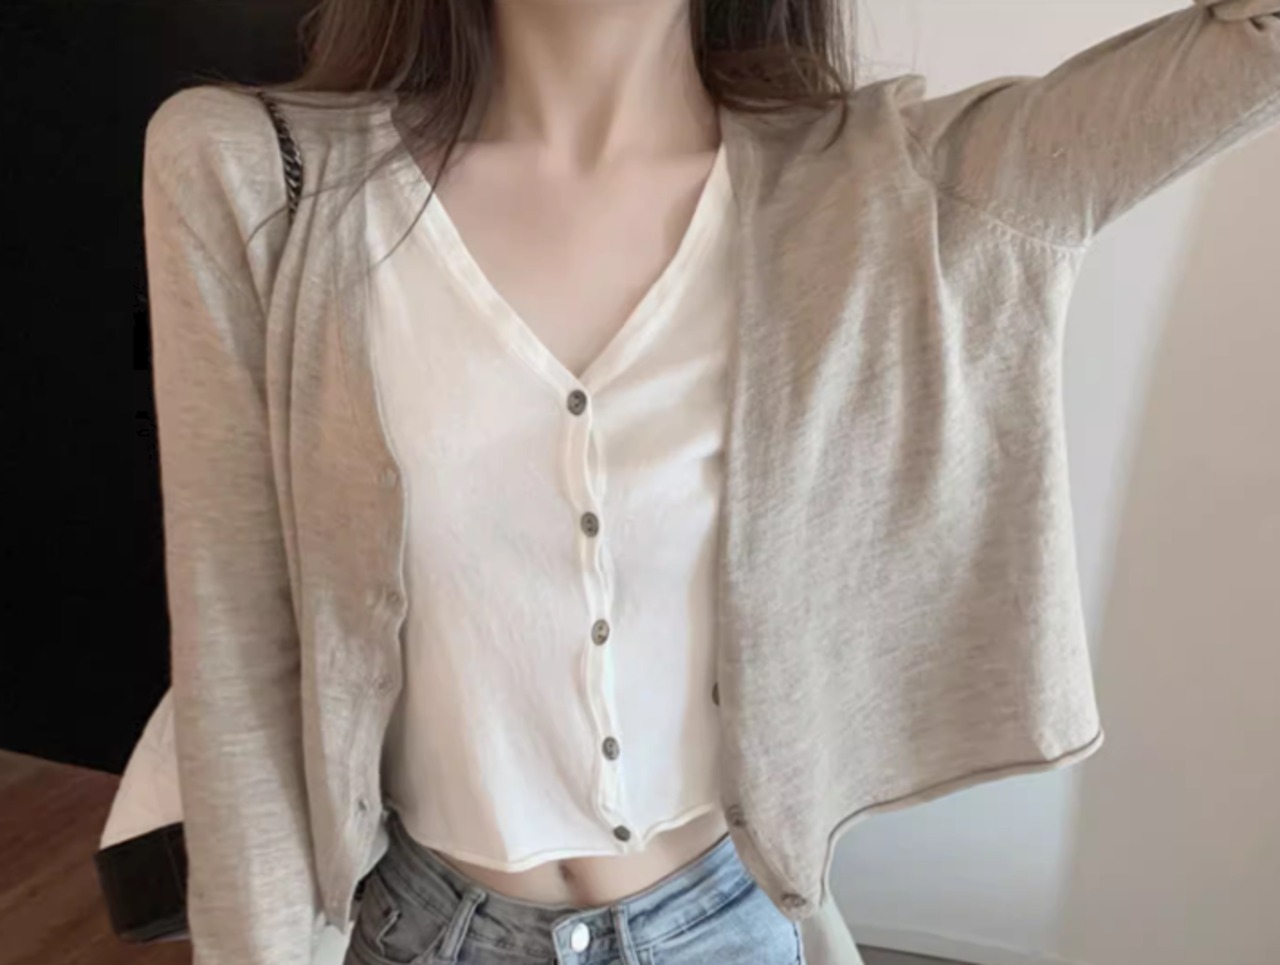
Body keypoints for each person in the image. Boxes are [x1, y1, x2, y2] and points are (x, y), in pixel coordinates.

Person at [140, 1, 1280, 963]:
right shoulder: (258, 177)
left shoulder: (892, 190)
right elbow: (240, 661)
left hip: (727, 926)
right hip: (420, 929)